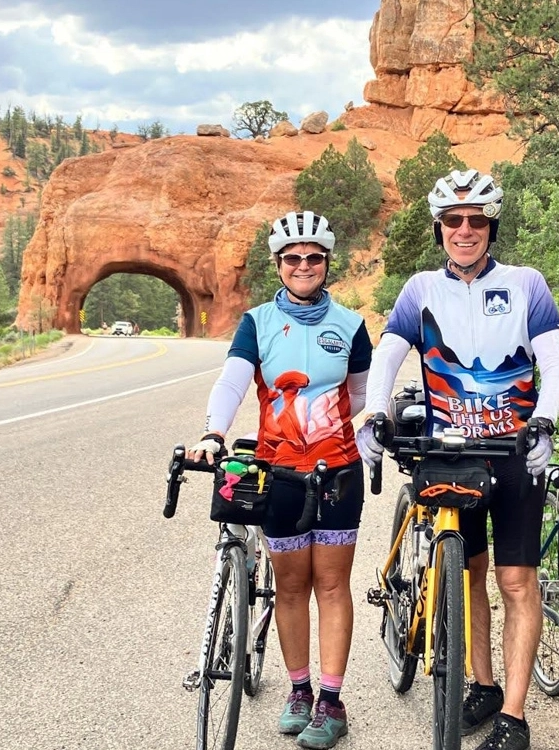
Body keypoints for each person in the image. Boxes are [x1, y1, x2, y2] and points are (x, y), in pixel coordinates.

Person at [357, 169, 559, 750]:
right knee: (470, 572)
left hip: (515, 453)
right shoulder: (420, 289)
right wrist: (376, 412)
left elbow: (554, 363)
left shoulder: (527, 283)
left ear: (491, 226)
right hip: (453, 453)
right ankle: (483, 685)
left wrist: (545, 419)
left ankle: (515, 718)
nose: (466, 230)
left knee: (517, 581)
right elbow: (387, 357)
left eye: (477, 220)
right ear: (440, 229)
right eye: (454, 221)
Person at [187, 211, 372, 750]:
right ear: (279, 264)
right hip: (279, 471)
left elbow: (358, 394)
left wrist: (325, 427)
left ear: (326, 264)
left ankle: (331, 701)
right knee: (291, 586)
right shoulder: (258, 322)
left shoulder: (352, 325)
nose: (304, 266)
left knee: (333, 584)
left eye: (314, 258)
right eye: (293, 258)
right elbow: (233, 381)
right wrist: (213, 432)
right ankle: (298, 690)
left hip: (337, 470)